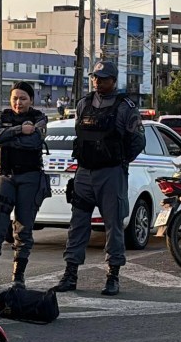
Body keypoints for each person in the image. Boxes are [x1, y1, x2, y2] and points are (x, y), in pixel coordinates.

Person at [54, 58, 145, 297]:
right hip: (84, 173)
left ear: (113, 81)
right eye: (95, 77)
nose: (97, 82)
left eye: (103, 79)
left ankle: (112, 276)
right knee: (77, 226)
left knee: (113, 226)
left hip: (111, 174)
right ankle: (70, 273)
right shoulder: (84, 104)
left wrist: (119, 161)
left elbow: (137, 140)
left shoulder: (125, 106)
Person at [0, 82, 49, 291]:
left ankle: (19, 277)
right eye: (15, 98)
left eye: (23, 98)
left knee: (23, 229)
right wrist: (19, 130)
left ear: (31, 101)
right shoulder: (2, 116)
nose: (18, 102)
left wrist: (8, 139)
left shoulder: (39, 118)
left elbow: (35, 142)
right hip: (6, 178)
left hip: (30, 179)